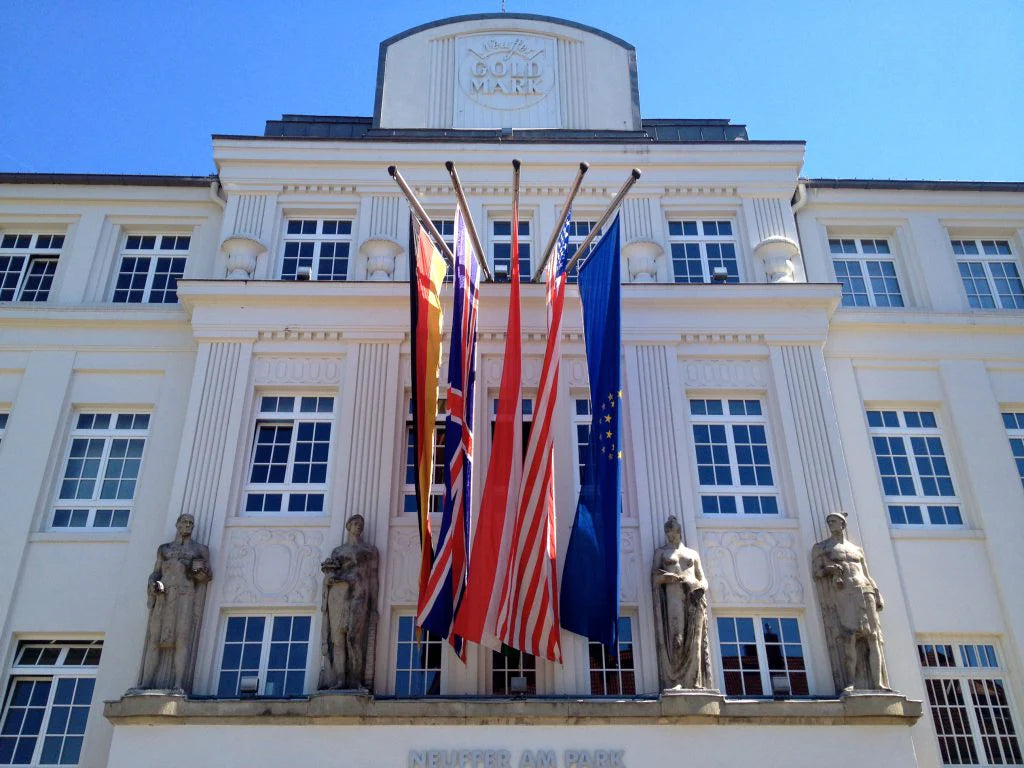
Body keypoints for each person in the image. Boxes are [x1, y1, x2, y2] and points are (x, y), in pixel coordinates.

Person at [812, 511, 890, 692]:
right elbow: (817, 572)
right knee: (850, 636)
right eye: (829, 522)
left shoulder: (856, 549)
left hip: (865, 590)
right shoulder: (823, 548)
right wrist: (830, 569)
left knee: (873, 637)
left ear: (842, 524)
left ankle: (878, 683)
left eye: (834, 521)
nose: (831, 524)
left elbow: (866, 573)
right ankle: (851, 682)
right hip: (844, 592)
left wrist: (877, 593)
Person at [139, 513, 212, 692]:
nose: (188, 525)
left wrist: (197, 571)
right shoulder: (164, 549)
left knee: (182, 639)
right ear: (177, 525)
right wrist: (152, 583)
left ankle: (179, 683)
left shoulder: (199, 549)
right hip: (164, 593)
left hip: (184, 595)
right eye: (185, 522)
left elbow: (205, 577)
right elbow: (156, 572)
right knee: (154, 639)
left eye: (191, 523)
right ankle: (145, 682)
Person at [651, 516, 711, 689]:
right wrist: (665, 577)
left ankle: (694, 681)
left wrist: (701, 588)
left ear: (679, 532)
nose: (670, 536)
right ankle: (676, 681)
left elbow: (703, 578)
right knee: (676, 639)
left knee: (695, 641)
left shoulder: (692, 554)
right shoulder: (661, 552)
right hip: (674, 595)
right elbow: (654, 578)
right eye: (667, 533)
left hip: (694, 596)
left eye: (672, 533)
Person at [320, 514, 379, 690]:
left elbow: (373, 579)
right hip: (339, 594)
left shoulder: (370, 551)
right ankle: (339, 680)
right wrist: (328, 576)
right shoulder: (338, 552)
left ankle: (356, 680)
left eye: (361, 524)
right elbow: (331, 576)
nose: (358, 526)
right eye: (355, 523)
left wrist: (374, 607)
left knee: (355, 637)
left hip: (360, 594)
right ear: (348, 526)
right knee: (338, 639)